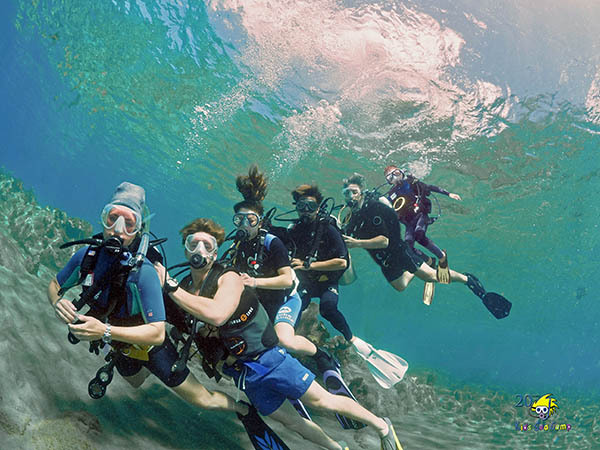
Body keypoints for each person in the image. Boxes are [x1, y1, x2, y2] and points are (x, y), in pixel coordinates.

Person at [47, 182, 273, 448]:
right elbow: (54, 284)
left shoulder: (143, 271)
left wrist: (104, 331)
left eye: (128, 224)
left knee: (202, 400)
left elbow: (155, 332)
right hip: (120, 344)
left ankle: (243, 409)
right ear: (103, 218)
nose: (118, 229)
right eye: (112, 219)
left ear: (138, 229)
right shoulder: (88, 255)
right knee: (134, 384)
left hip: (151, 345)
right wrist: (57, 301)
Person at [160, 217, 404, 450]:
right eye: (193, 244)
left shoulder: (228, 278)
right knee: (292, 422)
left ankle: (382, 427)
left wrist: (169, 286)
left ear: (214, 253)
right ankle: (336, 447)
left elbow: (218, 315)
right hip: (243, 374)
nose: (199, 250)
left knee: (322, 401)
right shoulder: (186, 289)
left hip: (270, 359)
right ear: (185, 249)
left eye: (207, 245)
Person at [341, 174, 501, 303]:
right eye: (346, 193)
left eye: (354, 191)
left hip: (398, 252)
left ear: (362, 191)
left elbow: (385, 240)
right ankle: (424, 263)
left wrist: (356, 243)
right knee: (400, 285)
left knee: (430, 276)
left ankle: (468, 279)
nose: (350, 196)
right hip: (384, 261)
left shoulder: (375, 207)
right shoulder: (352, 217)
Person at [287, 184, 355, 345]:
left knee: (328, 309)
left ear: (318, 208)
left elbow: (342, 262)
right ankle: (286, 340)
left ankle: (350, 338)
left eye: (311, 206)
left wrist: (309, 265)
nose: (306, 210)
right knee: (295, 307)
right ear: (296, 208)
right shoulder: (294, 230)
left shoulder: (329, 229)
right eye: (301, 206)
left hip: (327, 281)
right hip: (306, 282)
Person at [382, 165, 462, 283]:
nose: (394, 178)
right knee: (407, 247)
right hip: (408, 222)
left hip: (421, 215)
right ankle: (430, 261)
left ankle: (441, 256)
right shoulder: (391, 194)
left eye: (396, 173)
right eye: (390, 177)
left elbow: (430, 187)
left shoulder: (411, 182)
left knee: (419, 235)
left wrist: (449, 194)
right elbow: (384, 208)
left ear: (402, 173)